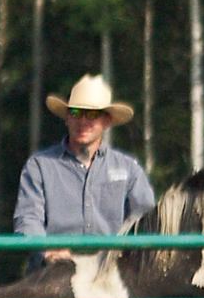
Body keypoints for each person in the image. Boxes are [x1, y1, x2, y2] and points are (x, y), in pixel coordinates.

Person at [14, 74, 154, 264]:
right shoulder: (39, 166)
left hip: (111, 274)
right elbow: (28, 219)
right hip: (52, 273)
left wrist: (125, 258)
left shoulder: (129, 169)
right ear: (67, 119)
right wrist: (47, 252)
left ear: (107, 121)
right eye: (76, 113)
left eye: (93, 114)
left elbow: (146, 222)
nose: (83, 121)